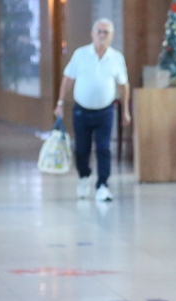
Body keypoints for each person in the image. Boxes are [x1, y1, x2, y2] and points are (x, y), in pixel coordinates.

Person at [55, 19, 130, 202]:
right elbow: (67, 79)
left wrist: (126, 110)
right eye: (99, 31)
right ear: (92, 33)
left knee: (104, 148)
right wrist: (60, 103)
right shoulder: (81, 54)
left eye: (106, 32)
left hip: (105, 111)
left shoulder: (116, 58)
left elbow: (123, 85)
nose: (102, 35)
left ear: (112, 36)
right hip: (82, 110)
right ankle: (84, 176)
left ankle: (102, 185)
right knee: (82, 149)